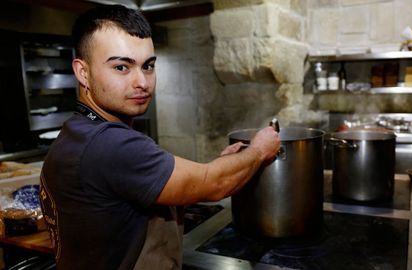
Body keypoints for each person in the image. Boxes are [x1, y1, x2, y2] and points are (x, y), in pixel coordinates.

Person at [39, 4, 280, 270]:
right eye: (121, 67)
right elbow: (215, 184)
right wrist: (258, 151)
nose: (142, 82)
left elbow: (168, 184)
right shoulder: (111, 144)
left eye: (149, 66)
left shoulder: (79, 131)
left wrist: (221, 165)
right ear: (83, 72)